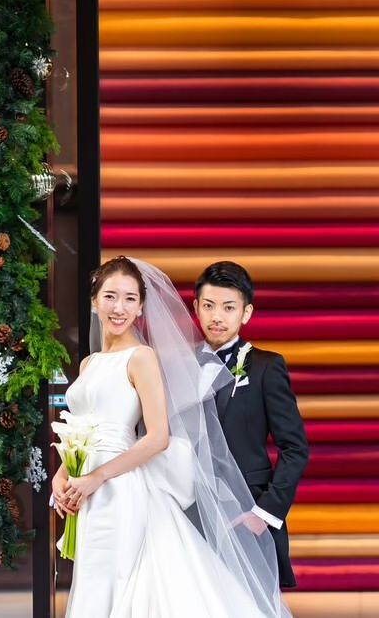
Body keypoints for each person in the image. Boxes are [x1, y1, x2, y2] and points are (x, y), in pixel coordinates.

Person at [51, 256, 290, 618]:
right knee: (94, 580)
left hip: (120, 488)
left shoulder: (142, 357)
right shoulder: (89, 364)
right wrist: (62, 475)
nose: (119, 307)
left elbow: (158, 437)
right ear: (95, 300)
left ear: (141, 306)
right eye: (110, 296)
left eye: (130, 298)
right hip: (87, 490)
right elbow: (81, 430)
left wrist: (96, 477)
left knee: (119, 580)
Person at [193, 261, 309, 589]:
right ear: (196, 307)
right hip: (190, 514)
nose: (217, 316)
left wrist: (264, 513)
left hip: (245, 515)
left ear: (246, 313)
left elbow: (295, 449)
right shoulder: (178, 365)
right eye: (209, 306)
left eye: (228, 307)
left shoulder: (266, 367)